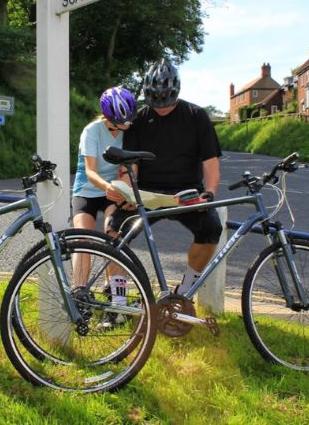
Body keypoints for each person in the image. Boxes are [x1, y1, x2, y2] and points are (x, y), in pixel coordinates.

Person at [110, 58, 223, 297]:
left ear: (176, 91)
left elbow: (211, 164)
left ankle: (185, 291)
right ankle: (118, 300)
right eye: (155, 100)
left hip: (187, 191)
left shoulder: (197, 116)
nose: (160, 105)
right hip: (148, 192)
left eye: (166, 100)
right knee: (114, 231)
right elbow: (131, 165)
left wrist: (209, 194)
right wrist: (127, 193)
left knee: (212, 228)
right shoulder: (139, 119)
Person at [71, 87, 137, 327]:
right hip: (88, 189)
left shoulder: (129, 130)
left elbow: (130, 168)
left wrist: (122, 189)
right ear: (107, 117)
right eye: (122, 121)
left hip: (114, 190)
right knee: (83, 240)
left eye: (130, 120)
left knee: (114, 235)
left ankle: (117, 301)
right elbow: (90, 171)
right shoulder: (92, 131)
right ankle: (79, 295)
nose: (127, 125)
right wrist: (106, 186)